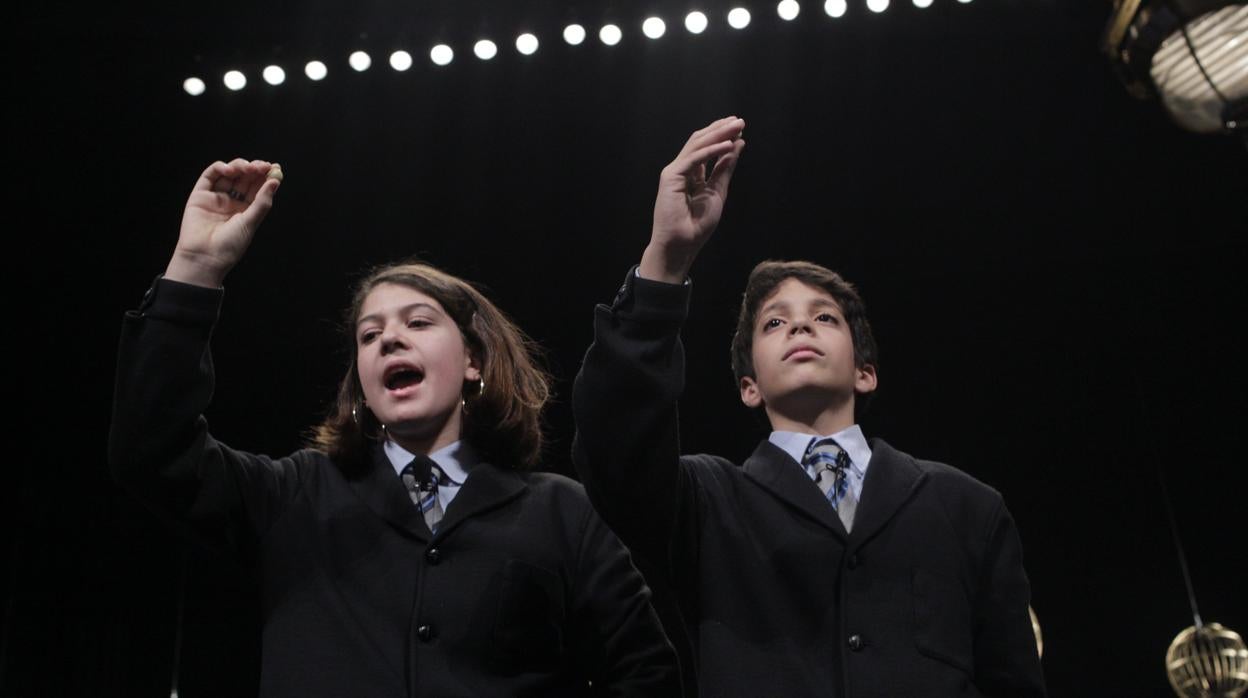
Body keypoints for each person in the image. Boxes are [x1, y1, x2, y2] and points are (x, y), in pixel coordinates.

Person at [109, 158, 681, 698]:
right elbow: (152, 450)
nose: (389, 339)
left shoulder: (562, 513)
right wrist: (196, 268)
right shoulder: (293, 496)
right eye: (369, 334)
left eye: (419, 322)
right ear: (361, 376)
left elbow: (646, 671)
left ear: (474, 361)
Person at [572, 118, 1047, 697]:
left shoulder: (968, 507)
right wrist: (665, 262)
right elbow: (613, 444)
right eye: (774, 322)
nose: (799, 322)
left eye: (824, 316)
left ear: (864, 371)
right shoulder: (702, 503)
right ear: (749, 385)